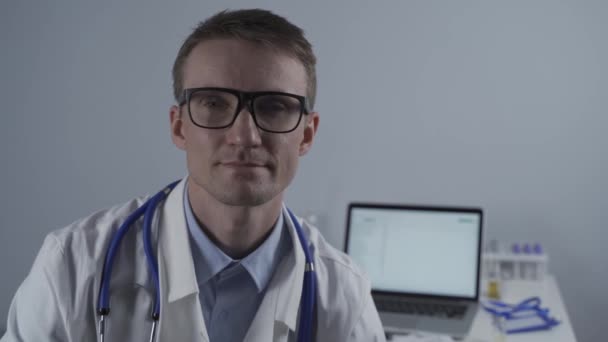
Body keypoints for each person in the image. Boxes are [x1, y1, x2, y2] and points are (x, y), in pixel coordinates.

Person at [0, 9, 386, 342]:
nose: (245, 136)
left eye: (274, 106)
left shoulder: (343, 296)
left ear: (307, 133)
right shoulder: (75, 265)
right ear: (179, 126)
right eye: (214, 103)